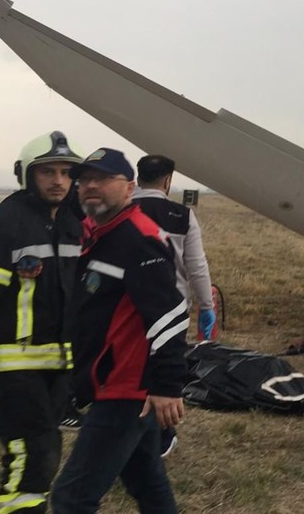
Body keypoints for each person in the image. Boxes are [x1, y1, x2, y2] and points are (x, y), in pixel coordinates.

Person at [50, 148, 189, 513]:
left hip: (125, 389)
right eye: (85, 180)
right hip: (111, 383)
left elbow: (169, 312)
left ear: (129, 187)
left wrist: (166, 385)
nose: (91, 186)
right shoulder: (99, 233)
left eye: (103, 179)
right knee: (147, 482)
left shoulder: (138, 237)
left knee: (71, 498)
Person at [0, 131, 84, 513]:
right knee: (34, 452)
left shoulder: (74, 225)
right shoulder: (1, 224)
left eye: (66, 172)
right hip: (12, 367)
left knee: (41, 450)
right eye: (48, 172)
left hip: (58, 366)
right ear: (26, 175)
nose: (58, 181)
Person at [133, 154, 215, 341]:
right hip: (172, 310)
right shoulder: (183, 216)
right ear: (168, 181)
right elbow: (197, 267)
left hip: (127, 307)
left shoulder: (121, 211)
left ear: (138, 180)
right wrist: (206, 306)